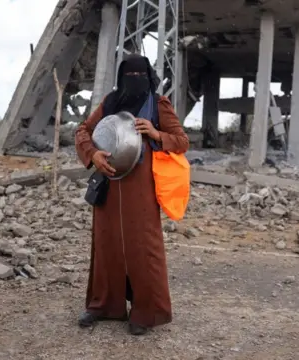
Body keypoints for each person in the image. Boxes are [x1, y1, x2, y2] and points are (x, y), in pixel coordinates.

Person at [74, 54, 189, 335]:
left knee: (142, 248)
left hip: (141, 189)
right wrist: (93, 155)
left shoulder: (158, 104)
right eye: (129, 75)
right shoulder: (110, 103)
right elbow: (82, 131)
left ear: (148, 77)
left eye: (140, 76)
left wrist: (155, 133)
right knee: (106, 244)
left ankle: (145, 312)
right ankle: (103, 306)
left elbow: (182, 141)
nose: (134, 81)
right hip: (108, 184)